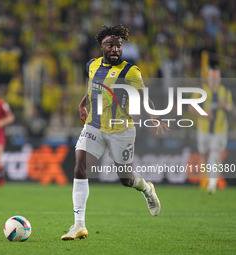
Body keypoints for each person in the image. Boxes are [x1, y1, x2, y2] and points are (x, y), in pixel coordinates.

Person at [61, 25, 169, 240]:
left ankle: (147, 190)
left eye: (118, 46)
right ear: (101, 46)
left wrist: (154, 116)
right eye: (110, 45)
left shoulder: (131, 71)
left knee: (126, 179)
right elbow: (93, 87)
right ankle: (78, 225)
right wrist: (83, 104)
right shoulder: (92, 65)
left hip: (121, 129)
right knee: (80, 167)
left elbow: (142, 95)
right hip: (94, 126)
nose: (115, 49)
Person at [189, 67, 233, 194]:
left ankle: (212, 184)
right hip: (203, 130)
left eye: (216, 78)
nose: (214, 80)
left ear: (219, 78)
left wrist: (227, 106)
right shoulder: (201, 91)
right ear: (207, 78)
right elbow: (191, 107)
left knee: (214, 155)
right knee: (204, 154)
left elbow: (231, 108)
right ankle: (207, 179)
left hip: (219, 130)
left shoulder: (224, 91)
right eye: (212, 77)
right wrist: (203, 114)